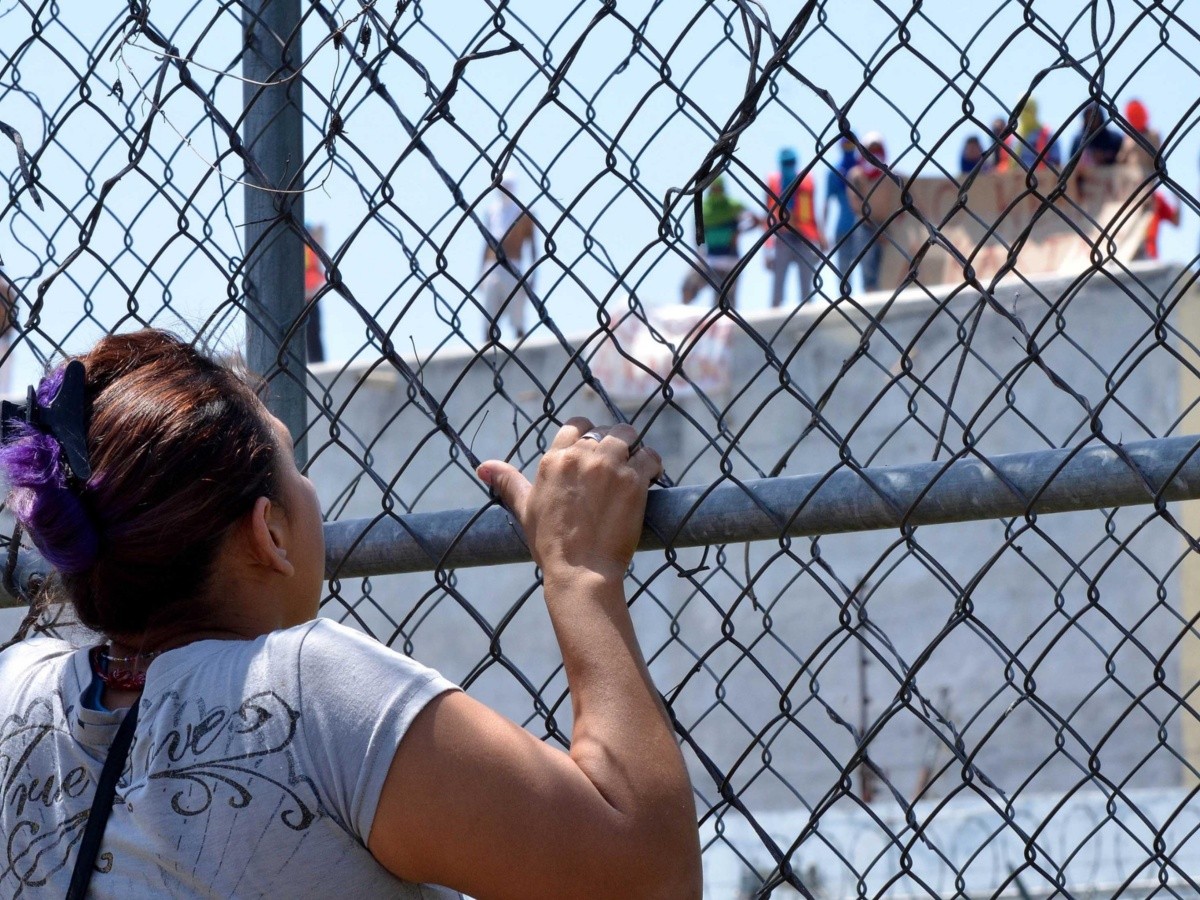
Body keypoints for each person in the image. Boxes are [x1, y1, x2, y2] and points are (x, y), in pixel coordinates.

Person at [0, 329, 702, 898]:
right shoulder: (305, 689)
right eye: (292, 461)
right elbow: (650, 881)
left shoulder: (16, 695)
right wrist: (580, 572)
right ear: (269, 532)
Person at [481, 173, 537, 341]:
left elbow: (532, 247)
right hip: (493, 267)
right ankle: (488, 355)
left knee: (517, 316)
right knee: (489, 317)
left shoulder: (524, 213)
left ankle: (521, 351)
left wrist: (534, 274)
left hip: (514, 266)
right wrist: (481, 273)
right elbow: (486, 244)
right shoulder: (491, 211)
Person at [765, 147, 824, 307]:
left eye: (791, 162)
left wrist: (820, 239)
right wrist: (767, 249)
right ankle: (775, 318)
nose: (788, 165)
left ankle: (809, 320)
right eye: (786, 163)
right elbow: (768, 217)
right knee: (778, 284)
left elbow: (812, 212)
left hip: (803, 236)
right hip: (782, 236)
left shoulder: (807, 180)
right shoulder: (773, 181)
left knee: (807, 284)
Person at [681, 175, 751, 307]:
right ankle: (681, 314)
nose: (717, 192)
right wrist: (700, 252)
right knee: (688, 286)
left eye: (719, 189)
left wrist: (739, 231)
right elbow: (697, 234)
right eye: (714, 189)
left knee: (723, 304)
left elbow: (754, 219)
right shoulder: (704, 209)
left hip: (729, 262)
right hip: (709, 259)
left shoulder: (732, 206)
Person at [847, 132, 890, 293]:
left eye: (877, 149)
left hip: (886, 225)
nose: (874, 153)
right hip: (865, 225)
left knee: (887, 267)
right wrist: (875, 228)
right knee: (868, 266)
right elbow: (856, 205)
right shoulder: (856, 175)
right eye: (870, 149)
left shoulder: (889, 174)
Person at [824, 132, 862, 290]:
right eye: (846, 145)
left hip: (863, 226)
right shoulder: (834, 173)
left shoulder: (862, 170)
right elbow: (826, 203)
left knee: (868, 271)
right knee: (844, 274)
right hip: (842, 228)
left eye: (851, 145)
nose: (848, 148)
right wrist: (822, 232)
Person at [1069, 101, 1123, 167]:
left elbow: (1122, 158)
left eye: (1094, 115)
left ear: (1101, 117)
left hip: (1111, 173)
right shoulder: (1078, 140)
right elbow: (1071, 165)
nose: (1091, 119)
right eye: (1088, 116)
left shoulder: (1114, 138)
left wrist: (1105, 156)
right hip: (1086, 175)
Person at [1117, 98, 1163, 175]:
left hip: (1147, 175)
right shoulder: (1128, 137)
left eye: (1137, 114)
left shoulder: (1154, 135)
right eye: (1133, 114)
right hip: (1128, 176)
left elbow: (1157, 163)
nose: (1136, 117)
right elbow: (1120, 160)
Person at [1014, 98, 1060, 171]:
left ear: (1035, 110)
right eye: (1019, 109)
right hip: (1016, 179)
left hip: (1042, 178)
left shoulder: (1048, 135)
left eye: (1027, 109)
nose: (1023, 113)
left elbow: (1056, 163)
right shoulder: (1013, 137)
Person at [304, 223, 327, 363]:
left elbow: (321, 233)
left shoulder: (309, 248)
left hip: (311, 296)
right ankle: (315, 362)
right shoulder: (303, 248)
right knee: (311, 335)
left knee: (313, 335)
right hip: (304, 297)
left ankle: (316, 363)